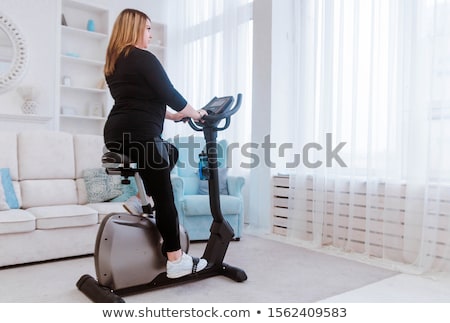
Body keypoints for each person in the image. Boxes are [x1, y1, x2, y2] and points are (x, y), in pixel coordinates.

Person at [103, 8, 208, 279]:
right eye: (148, 28)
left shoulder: (114, 62)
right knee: (164, 197)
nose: (151, 34)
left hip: (117, 134)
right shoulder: (143, 58)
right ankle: (175, 259)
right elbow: (168, 92)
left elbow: (140, 99)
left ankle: (139, 198)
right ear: (135, 28)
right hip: (141, 136)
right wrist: (196, 113)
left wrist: (174, 116)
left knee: (168, 152)